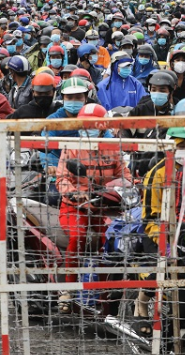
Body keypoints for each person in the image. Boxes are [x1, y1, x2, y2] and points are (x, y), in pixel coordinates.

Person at [55, 103, 131, 311]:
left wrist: (123, 187)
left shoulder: (113, 148)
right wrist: (74, 193)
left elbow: (125, 174)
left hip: (104, 207)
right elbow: (61, 178)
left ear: (102, 127)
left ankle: (105, 293)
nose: (88, 128)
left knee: (110, 243)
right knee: (77, 236)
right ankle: (67, 289)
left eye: (93, 125)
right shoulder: (70, 147)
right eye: (85, 124)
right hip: (74, 206)